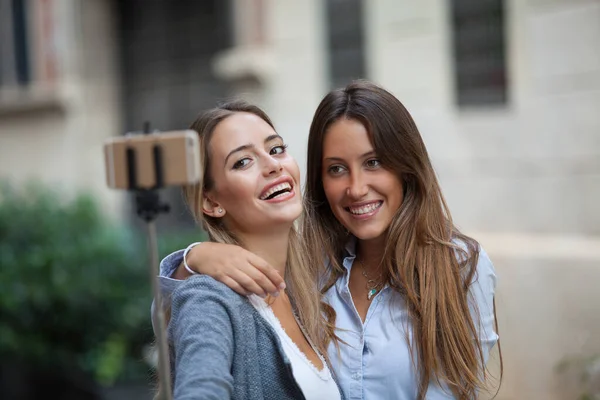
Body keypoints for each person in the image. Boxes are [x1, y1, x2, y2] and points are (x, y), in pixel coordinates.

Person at [160, 81, 501, 399]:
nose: (356, 187)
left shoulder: (460, 265)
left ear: (405, 166)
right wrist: (194, 258)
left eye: (374, 162)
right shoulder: (313, 268)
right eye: (336, 168)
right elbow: (193, 334)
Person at [160, 100, 342, 399]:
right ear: (211, 202)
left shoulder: (308, 287)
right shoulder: (208, 298)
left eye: (276, 149)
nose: (273, 166)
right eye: (242, 162)